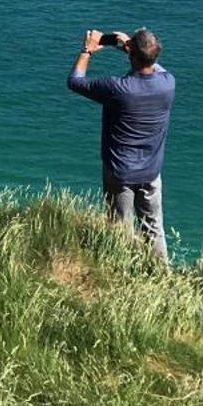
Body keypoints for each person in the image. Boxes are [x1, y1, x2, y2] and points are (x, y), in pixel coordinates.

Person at [67, 27, 175, 263]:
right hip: (151, 173)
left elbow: (75, 81)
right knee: (154, 230)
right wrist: (130, 47)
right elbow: (152, 65)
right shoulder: (168, 83)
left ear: (132, 55)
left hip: (121, 173)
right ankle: (162, 275)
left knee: (119, 230)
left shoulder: (118, 88)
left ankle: (120, 274)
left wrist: (88, 49)